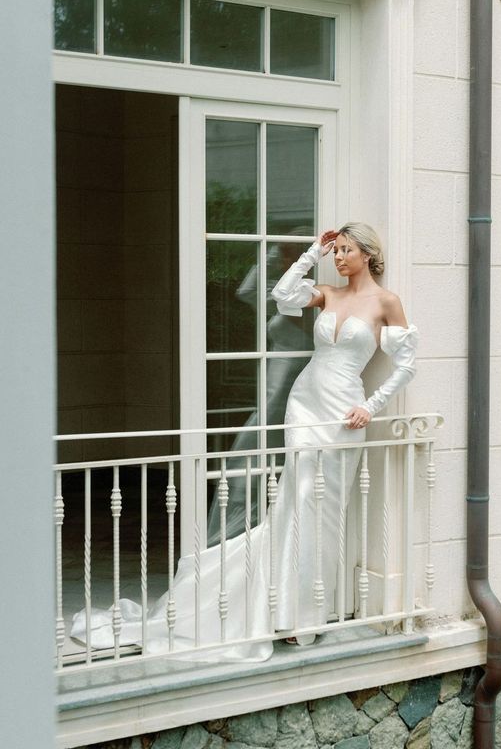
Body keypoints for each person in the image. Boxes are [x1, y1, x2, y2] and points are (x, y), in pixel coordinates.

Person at [71, 223, 418, 660]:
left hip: (346, 413)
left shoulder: (387, 303)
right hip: (305, 404)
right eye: (337, 250)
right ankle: (282, 609)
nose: (339, 257)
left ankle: (304, 612)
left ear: (367, 254)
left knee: (325, 509)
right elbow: (283, 296)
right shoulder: (328, 292)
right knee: (295, 500)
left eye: (346, 250)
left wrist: (372, 405)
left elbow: (407, 365)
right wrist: (312, 252)